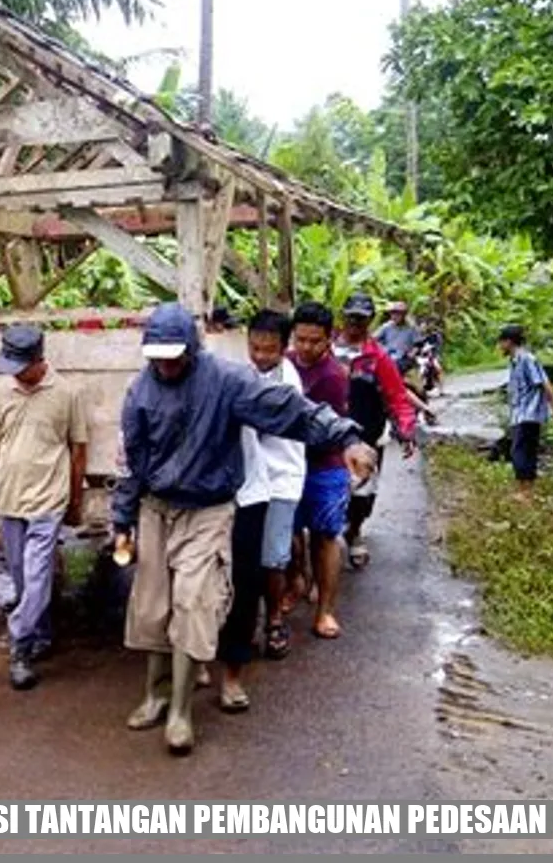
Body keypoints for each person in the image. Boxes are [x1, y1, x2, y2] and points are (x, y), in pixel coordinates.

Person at [116, 303, 374, 755]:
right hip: (157, 507)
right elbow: (133, 463)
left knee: (193, 601)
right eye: (157, 356)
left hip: (210, 508)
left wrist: (347, 437)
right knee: (153, 607)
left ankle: (180, 711)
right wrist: (122, 520)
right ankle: (155, 694)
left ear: (194, 348)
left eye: (174, 355)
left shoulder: (227, 381)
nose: (166, 364)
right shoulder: (140, 391)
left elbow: (293, 410)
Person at [0, 324, 89, 691]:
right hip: (10, 499)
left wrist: (75, 500)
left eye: (19, 365)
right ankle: (41, 633)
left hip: (49, 499)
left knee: (37, 574)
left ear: (39, 361)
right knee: (21, 577)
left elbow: (78, 450)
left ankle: (20, 648)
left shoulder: (66, 393)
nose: (12, 372)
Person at [287, 303, 354, 641]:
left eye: (315, 341)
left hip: (325, 465)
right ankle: (298, 579)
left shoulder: (335, 377)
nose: (306, 347)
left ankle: (325, 609)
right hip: (289, 463)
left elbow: (332, 429)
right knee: (289, 534)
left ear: (329, 339)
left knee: (325, 537)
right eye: (301, 339)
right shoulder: (282, 364)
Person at [336, 293, 418, 569]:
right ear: (343, 316)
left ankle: (355, 531)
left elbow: (397, 396)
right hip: (329, 436)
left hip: (366, 435)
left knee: (363, 494)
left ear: (370, 320)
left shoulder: (378, 357)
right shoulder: (325, 348)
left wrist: (406, 428)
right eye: (351, 317)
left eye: (361, 318)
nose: (355, 323)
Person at [249, 309, 307, 660]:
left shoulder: (288, 384)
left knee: (272, 559)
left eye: (268, 350)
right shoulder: (247, 373)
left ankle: (273, 621)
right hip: (249, 480)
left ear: (284, 348)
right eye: (254, 348)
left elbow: (260, 421)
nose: (260, 356)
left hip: (280, 479)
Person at [497, 324, 553, 500]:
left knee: (519, 452)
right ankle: (524, 490)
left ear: (509, 342)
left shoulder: (527, 359)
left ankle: (526, 492)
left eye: (501, 342)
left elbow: (544, 384)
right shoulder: (515, 361)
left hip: (529, 414)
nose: (500, 346)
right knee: (523, 451)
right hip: (520, 414)